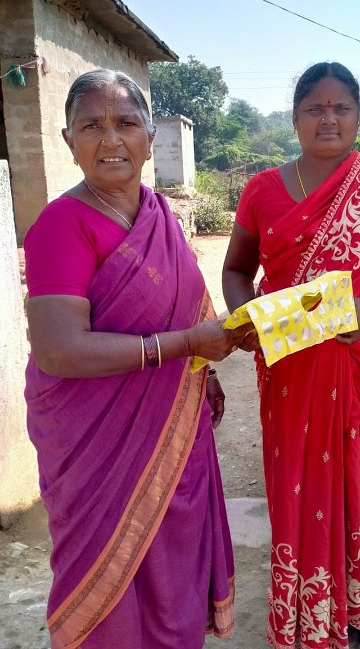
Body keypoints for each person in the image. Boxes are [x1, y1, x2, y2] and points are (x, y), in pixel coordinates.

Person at [24, 69, 250, 649]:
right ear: (69, 140)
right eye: (91, 126)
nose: (111, 139)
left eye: (126, 123)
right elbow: (59, 348)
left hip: (173, 422)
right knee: (109, 573)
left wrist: (208, 362)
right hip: (94, 443)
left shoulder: (160, 214)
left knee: (171, 563)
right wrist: (186, 346)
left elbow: (184, 303)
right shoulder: (61, 225)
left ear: (150, 138)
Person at [222, 62, 360, 649]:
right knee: (298, 491)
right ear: (295, 119)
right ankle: (305, 613)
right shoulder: (262, 191)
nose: (328, 118)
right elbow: (237, 269)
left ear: (359, 118)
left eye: (341, 108)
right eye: (315, 107)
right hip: (290, 372)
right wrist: (248, 318)